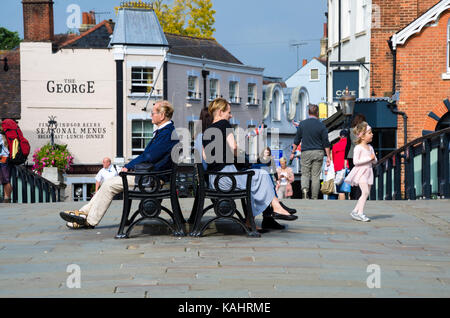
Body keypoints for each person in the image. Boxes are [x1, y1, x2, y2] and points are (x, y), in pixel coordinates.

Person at [59, 100, 179, 229]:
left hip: (153, 179)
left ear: (162, 116)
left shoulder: (167, 133)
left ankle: (89, 220)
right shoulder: (166, 132)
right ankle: (83, 214)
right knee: (109, 183)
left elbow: (149, 156)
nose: (151, 115)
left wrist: (128, 166)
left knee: (110, 184)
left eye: (153, 112)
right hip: (150, 175)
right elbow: (150, 156)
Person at [202, 98, 297, 232]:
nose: (230, 115)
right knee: (262, 174)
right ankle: (274, 208)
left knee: (255, 177)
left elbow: (205, 157)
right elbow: (234, 147)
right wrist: (238, 156)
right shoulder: (223, 124)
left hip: (216, 179)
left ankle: (257, 217)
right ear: (220, 112)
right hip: (227, 177)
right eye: (228, 112)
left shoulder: (207, 131)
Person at [289, 104, 331, 200]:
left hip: (306, 152)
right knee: (315, 175)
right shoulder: (321, 125)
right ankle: (314, 196)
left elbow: (297, 139)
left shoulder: (302, 124)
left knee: (305, 173)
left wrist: (293, 152)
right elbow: (326, 142)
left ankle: (304, 191)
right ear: (317, 113)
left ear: (308, 112)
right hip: (318, 152)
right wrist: (328, 156)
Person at [344, 122, 377, 222]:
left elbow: (375, 160)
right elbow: (356, 162)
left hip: (369, 171)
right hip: (361, 172)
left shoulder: (370, 147)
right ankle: (360, 213)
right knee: (365, 192)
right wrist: (369, 158)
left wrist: (373, 158)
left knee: (366, 193)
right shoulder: (358, 148)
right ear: (362, 136)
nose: (372, 134)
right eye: (369, 133)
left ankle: (355, 211)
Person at [345, 113, 366, 200]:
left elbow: (348, 145)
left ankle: (353, 195)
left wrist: (345, 157)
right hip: (361, 156)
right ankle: (359, 194)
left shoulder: (350, 131)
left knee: (353, 176)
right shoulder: (364, 132)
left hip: (351, 156)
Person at [332, 129, 350, 200]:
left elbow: (333, 159)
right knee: (349, 188)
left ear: (340, 137)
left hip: (338, 168)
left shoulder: (335, 146)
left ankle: (343, 204)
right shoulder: (349, 145)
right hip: (348, 167)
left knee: (341, 189)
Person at [0, 128, 12, 203]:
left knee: (6, 180)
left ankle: (7, 198)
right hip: (5, 159)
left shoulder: (0, 136)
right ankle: (7, 197)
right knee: (6, 180)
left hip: (3, 160)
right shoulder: (4, 135)